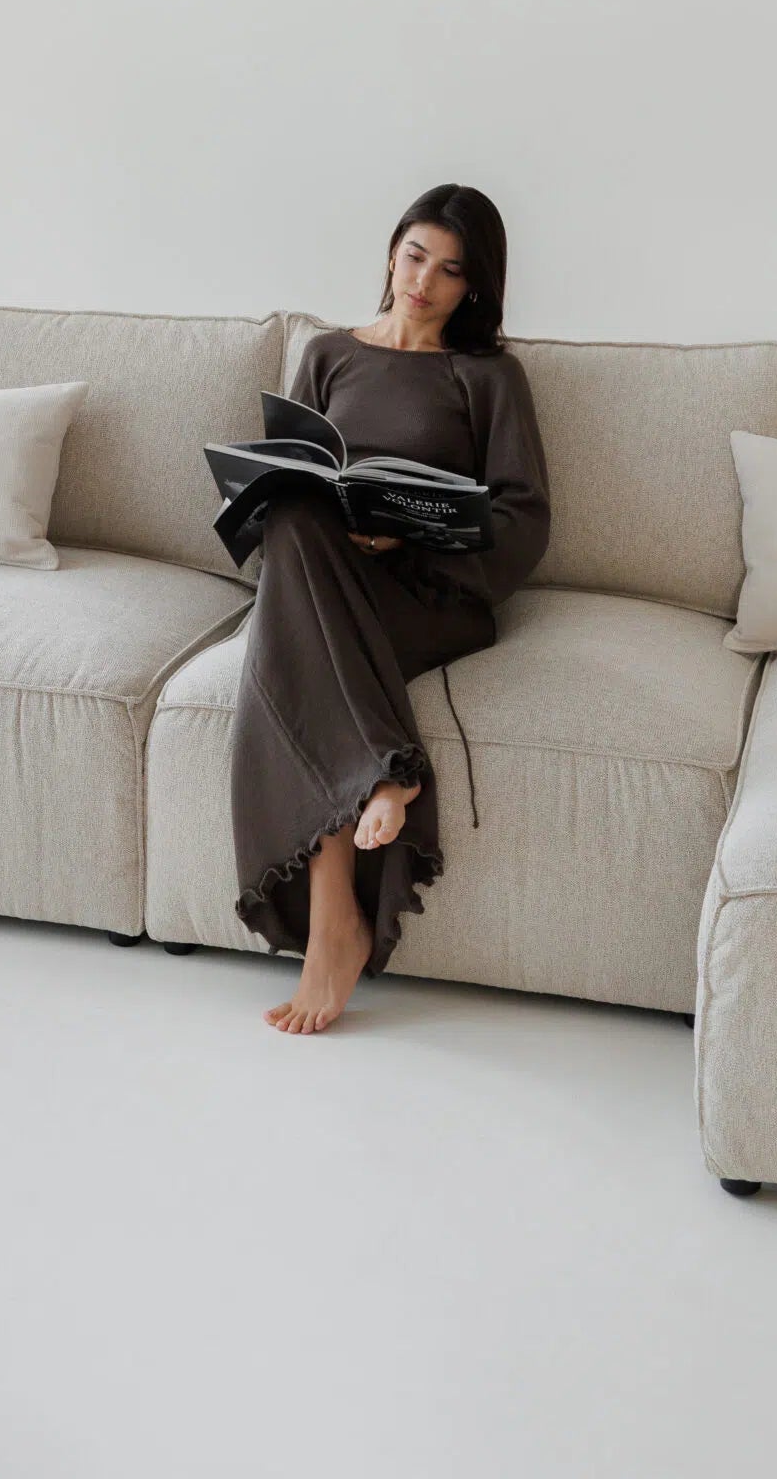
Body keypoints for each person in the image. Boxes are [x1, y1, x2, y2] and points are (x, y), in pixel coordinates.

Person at [231, 182, 551, 1034]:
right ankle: (378, 790)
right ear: (390, 251)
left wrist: (409, 536)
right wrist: (313, 514)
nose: (424, 282)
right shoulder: (328, 354)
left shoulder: (486, 375)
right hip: (329, 583)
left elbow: (523, 517)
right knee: (297, 512)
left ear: (473, 286)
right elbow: (283, 484)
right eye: (415, 257)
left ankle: (335, 916)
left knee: (287, 647)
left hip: (431, 595)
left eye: (450, 271)